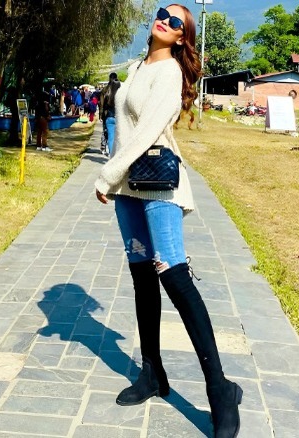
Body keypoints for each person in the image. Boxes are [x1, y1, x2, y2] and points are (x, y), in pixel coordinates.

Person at [94, 5, 241, 438]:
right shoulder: (138, 66)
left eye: (177, 21)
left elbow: (147, 132)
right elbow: (123, 127)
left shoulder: (172, 72)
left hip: (157, 184)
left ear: (182, 37)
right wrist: (115, 177)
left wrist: (106, 173)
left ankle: (220, 389)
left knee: (173, 275)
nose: (166, 21)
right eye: (163, 13)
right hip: (128, 191)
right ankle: (153, 374)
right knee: (141, 275)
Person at [101, 72, 121, 156]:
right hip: (120, 117)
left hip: (108, 116)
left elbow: (102, 104)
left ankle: (111, 155)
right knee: (120, 137)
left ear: (109, 78)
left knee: (110, 137)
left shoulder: (105, 90)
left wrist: (102, 115)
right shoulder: (121, 92)